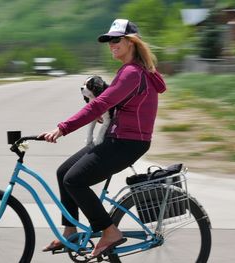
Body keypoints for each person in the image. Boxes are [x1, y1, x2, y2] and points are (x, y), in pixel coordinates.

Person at [39, 18, 166, 258]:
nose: (111, 44)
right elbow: (119, 104)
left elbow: (100, 103)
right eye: (109, 40)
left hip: (127, 143)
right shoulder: (130, 71)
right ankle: (70, 231)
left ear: (130, 42)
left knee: (74, 180)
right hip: (117, 138)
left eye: (116, 40)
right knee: (62, 172)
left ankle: (109, 232)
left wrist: (63, 128)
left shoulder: (132, 73)